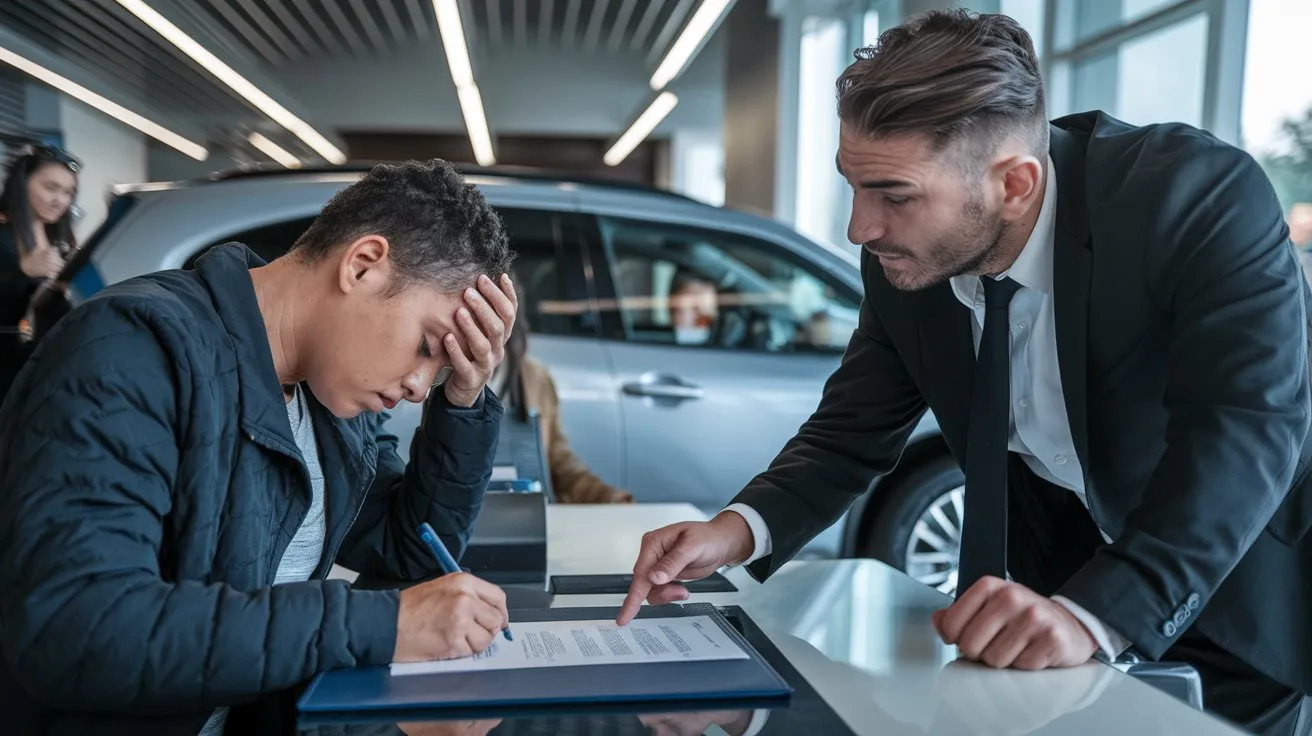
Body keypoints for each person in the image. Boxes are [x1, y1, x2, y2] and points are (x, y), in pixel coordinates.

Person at [619, 10, 1312, 735]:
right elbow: (848, 433)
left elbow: (1245, 427)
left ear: (1015, 185)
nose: (860, 228)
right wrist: (736, 530)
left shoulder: (1193, 197)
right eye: (854, 187)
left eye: (894, 195)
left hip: (1228, 575)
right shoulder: (905, 256)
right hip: (1058, 576)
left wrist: (1100, 613)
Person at [0, 159, 518, 735]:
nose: (421, 388)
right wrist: (382, 624)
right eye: (426, 347)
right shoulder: (129, 350)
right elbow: (77, 628)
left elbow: (409, 552)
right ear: (363, 265)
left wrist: (464, 402)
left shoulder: (329, 402)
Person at [493, 288, 633, 503]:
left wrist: (605, 496)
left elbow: (560, 462)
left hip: (525, 512)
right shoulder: (443, 376)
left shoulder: (534, 378)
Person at [0, 144, 80, 402]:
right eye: (50, 188)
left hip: (43, 372)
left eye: (68, 192)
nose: (60, 200)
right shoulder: (3, 238)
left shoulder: (63, 244)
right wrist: (23, 272)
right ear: (23, 185)